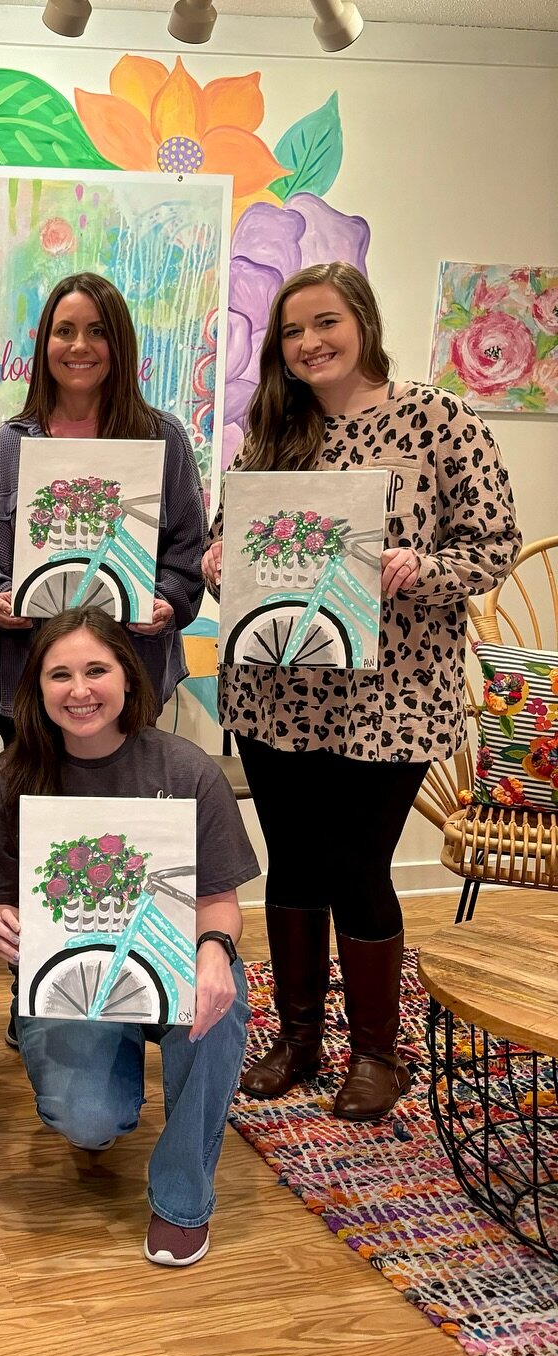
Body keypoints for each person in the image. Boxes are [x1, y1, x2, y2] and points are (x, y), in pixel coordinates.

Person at [200, 262, 520, 1122]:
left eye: (326, 322)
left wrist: (422, 569)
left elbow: (493, 543)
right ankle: (300, 1039)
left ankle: (378, 1051)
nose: (309, 343)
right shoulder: (273, 430)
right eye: (294, 330)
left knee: (357, 864)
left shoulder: (436, 419)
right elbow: (235, 536)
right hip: (277, 687)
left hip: (392, 693)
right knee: (296, 861)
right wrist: (217, 559)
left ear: (364, 321)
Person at [0, 607, 259, 1267]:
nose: (80, 689)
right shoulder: (6, 782)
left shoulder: (187, 771)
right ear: (36, 688)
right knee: (90, 1121)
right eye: (59, 674)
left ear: (128, 675)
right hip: (73, 974)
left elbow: (219, 903)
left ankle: (182, 1199)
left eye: (97, 669)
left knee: (226, 995)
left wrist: (214, 953)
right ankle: (86, 1055)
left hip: (172, 956)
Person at [0, 272, 207, 742]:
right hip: (26, 683)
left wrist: (167, 603)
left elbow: (188, 548)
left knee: (117, 813)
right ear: (45, 344)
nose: (80, 346)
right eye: (65, 331)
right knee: (29, 811)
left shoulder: (162, 438)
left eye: (98, 331)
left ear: (120, 343)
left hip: (130, 680)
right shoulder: (8, 445)